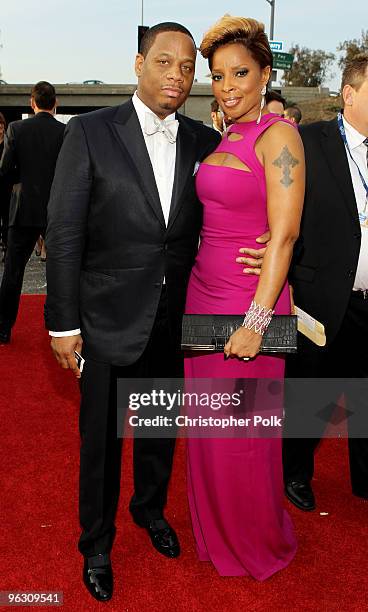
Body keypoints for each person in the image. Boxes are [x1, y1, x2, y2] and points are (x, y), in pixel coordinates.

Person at [45, 23, 221, 602]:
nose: (178, 73)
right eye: (165, 61)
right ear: (138, 64)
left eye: (188, 66)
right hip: (103, 317)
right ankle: (96, 542)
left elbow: (217, 219)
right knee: (100, 440)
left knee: (158, 429)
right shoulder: (91, 131)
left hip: (175, 318)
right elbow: (65, 231)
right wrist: (63, 322)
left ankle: (149, 510)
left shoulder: (203, 141)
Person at [184, 15, 305, 578]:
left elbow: (283, 234)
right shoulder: (225, 133)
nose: (227, 85)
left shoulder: (279, 136)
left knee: (243, 437)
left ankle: (253, 540)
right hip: (203, 298)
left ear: (263, 75)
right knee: (210, 431)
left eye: (240, 73)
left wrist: (258, 319)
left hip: (248, 306)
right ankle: (216, 533)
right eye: (218, 75)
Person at [283, 53, 368, 511]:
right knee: (311, 397)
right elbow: (285, 216)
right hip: (321, 299)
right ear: (349, 95)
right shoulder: (307, 141)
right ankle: (294, 472)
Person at [0, 82, 64, 344]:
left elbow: (4, 171)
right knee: (60, 273)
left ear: (32, 103)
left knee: (13, 273)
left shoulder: (17, 129)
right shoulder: (66, 131)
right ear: (55, 103)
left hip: (23, 209)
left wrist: (22, 179)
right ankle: (56, 325)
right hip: (56, 211)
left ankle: (3, 328)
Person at [0, 112, 13, 262]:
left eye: (1, 126)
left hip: (6, 185)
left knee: (6, 218)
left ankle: (6, 247)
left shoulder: (8, 143)